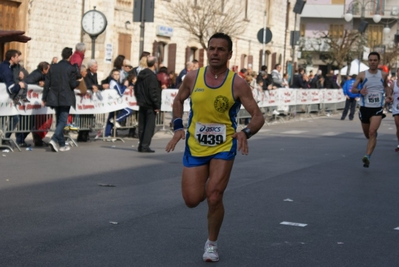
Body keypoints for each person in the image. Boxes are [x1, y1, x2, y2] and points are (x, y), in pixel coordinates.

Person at [165, 33, 265, 262]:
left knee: (214, 197)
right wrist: (178, 127)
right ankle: (207, 183)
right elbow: (178, 100)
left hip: (224, 146)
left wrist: (245, 132)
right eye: (211, 49)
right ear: (206, 52)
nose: (215, 53)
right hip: (195, 146)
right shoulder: (193, 77)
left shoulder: (237, 83)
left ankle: (211, 244)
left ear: (229, 54)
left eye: (221, 49)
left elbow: (258, 116)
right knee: (191, 200)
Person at [350, 52, 391, 167]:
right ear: (368, 61)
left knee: (372, 132)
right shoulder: (362, 74)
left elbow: (386, 86)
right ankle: (372, 139)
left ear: (378, 61)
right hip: (364, 108)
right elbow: (352, 89)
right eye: (370, 60)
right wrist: (359, 91)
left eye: (375, 60)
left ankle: (367, 156)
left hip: (377, 108)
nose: (372, 62)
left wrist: (388, 95)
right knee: (368, 135)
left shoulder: (383, 75)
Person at [42, 47, 81, 152]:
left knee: (59, 120)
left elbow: (47, 84)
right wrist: (79, 81)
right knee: (63, 120)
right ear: (70, 56)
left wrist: (44, 97)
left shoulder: (53, 67)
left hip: (54, 96)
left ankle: (62, 145)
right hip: (66, 96)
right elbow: (72, 84)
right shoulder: (71, 68)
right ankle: (54, 139)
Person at [134, 56, 161, 153]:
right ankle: (145, 146)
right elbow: (153, 92)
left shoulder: (141, 74)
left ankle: (141, 145)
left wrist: (139, 99)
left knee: (142, 126)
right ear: (155, 64)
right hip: (150, 105)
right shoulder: (152, 76)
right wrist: (156, 105)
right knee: (149, 127)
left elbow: (136, 88)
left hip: (142, 103)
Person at [104, 69, 133, 139]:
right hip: (117, 102)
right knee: (128, 111)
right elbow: (120, 92)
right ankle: (116, 120)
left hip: (114, 102)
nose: (117, 76)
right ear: (112, 75)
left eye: (118, 74)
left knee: (111, 115)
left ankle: (107, 134)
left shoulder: (115, 82)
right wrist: (125, 86)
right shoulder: (113, 82)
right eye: (115, 74)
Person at [388, 68, 399, 151]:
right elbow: (389, 93)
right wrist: (389, 97)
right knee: (398, 126)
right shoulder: (393, 83)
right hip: (396, 108)